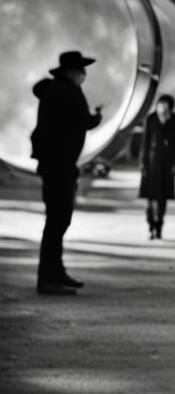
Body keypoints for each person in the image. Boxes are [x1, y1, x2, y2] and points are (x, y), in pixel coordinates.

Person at [30, 50, 103, 295]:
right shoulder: (66, 93)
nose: (84, 75)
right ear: (73, 73)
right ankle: (48, 278)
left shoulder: (58, 92)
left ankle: (55, 272)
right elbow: (83, 121)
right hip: (58, 167)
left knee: (58, 220)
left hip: (58, 166)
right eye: (82, 71)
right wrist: (97, 118)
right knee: (57, 221)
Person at [139, 94, 175, 239]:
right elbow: (145, 142)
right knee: (150, 197)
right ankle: (151, 223)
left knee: (163, 197)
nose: (163, 107)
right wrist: (143, 162)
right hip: (152, 163)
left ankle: (159, 224)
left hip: (168, 164)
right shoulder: (151, 119)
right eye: (161, 104)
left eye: (166, 104)